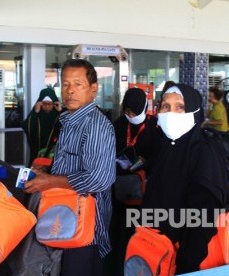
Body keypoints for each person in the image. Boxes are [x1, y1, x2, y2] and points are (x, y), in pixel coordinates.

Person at [24, 59, 116, 276]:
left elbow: (100, 179)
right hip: (63, 217)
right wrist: (47, 173)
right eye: (65, 84)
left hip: (85, 227)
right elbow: (70, 166)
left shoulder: (95, 125)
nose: (70, 90)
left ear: (93, 90)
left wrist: (51, 182)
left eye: (78, 84)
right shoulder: (68, 120)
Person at [142, 84, 229, 274]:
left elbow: (203, 220)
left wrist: (185, 266)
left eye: (180, 107)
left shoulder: (204, 151)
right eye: (166, 107)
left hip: (184, 259)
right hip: (157, 250)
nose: (171, 113)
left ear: (194, 112)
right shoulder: (166, 146)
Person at [109, 87, 162, 275]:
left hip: (144, 191)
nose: (130, 115)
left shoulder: (156, 127)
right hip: (119, 189)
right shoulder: (118, 125)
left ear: (143, 108)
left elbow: (161, 157)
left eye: (134, 112)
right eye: (127, 111)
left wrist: (145, 164)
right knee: (119, 233)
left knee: (139, 233)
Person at [22, 87, 63, 166]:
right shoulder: (36, 114)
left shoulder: (60, 114)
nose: (47, 107)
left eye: (50, 104)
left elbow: (69, 128)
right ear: (40, 103)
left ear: (55, 103)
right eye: (44, 104)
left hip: (55, 155)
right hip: (37, 153)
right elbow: (26, 127)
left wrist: (60, 111)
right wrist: (35, 111)